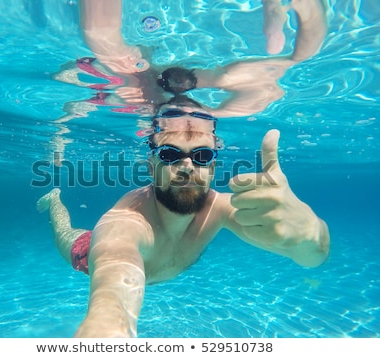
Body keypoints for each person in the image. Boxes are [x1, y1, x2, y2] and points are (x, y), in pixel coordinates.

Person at [37, 96, 330, 337]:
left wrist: (310, 232)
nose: (187, 166)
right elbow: (110, 305)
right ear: (151, 168)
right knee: (67, 232)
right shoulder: (124, 224)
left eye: (202, 156)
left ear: (212, 169)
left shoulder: (220, 209)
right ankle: (54, 201)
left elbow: (314, 257)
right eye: (170, 155)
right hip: (88, 251)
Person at [53, 0, 328, 119]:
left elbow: (76, 104)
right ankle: (285, 10)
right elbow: (295, 61)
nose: (184, 129)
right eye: (201, 153)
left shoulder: (131, 98)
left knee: (99, 37)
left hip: (140, 72)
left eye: (171, 151)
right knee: (298, 58)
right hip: (184, 76)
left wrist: (61, 135)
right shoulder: (229, 101)